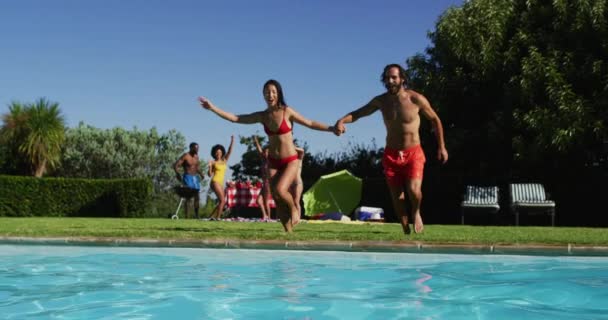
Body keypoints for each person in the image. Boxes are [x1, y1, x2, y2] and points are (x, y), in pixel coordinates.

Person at [199, 79, 342, 232]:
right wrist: (213, 108)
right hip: (273, 161)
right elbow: (236, 118)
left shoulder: (287, 111)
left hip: (290, 160)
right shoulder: (263, 116)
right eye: (267, 92)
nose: (270, 95)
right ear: (263, 95)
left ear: (278, 93)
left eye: (273, 91)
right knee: (277, 199)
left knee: (281, 190)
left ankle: (294, 207)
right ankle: (288, 232)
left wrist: (332, 128)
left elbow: (310, 123)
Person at [334, 64, 448, 234]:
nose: (390, 81)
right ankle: (405, 227)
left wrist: (442, 147)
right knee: (398, 197)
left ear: (402, 79)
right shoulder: (381, 101)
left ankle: (416, 212)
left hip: (413, 153)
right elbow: (359, 113)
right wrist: (341, 121)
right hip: (391, 155)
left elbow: (435, 120)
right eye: (387, 78)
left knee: (414, 191)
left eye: (394, 77)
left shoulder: (415, 99)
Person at [174, 142, 205, 219]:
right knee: (188, 197)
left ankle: (197, 215)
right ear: (191, 148)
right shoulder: (185, 156)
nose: (197, 150)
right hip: (187, 177)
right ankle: (187, 216)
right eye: (195, 148)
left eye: (198, 148)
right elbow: (176, 165)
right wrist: (177, 174)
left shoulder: (196, 157)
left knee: (197, 196)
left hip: (195, 178)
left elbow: (196, 167)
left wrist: (201, 174)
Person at [208, 136, 234, 220]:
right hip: (215, 181)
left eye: (220, 152)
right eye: (217, 152)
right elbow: (209, 174)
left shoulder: (224, 161)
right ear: (214, 153)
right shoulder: (213, 162)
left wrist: (232, 141)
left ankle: (211, 217)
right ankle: (218, 218)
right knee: (222, 201)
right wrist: (209, 166)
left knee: (222, 201)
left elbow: (229, 151)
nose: (218, 153)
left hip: (221, 183)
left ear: (222, 152)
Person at [253, 135, 272, 220]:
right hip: (265, 183)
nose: (265, 153)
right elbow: (259, 150)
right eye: (265, 152)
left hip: (269, 183)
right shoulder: (263, 160)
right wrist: (256, 141)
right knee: (258, 201)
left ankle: (269, 218)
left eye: (267, 152)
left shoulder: (271, 161)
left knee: (266, 201)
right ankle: (265, 216)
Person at [289, 146, 305, 217]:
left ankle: (298, 217)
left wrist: (290, 145)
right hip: (290, 183)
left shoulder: (299, 159)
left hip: (297, 183)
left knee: (296, 201)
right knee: (290, 202)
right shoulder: (289, 161)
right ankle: (292, 216)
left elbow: (302, 150)